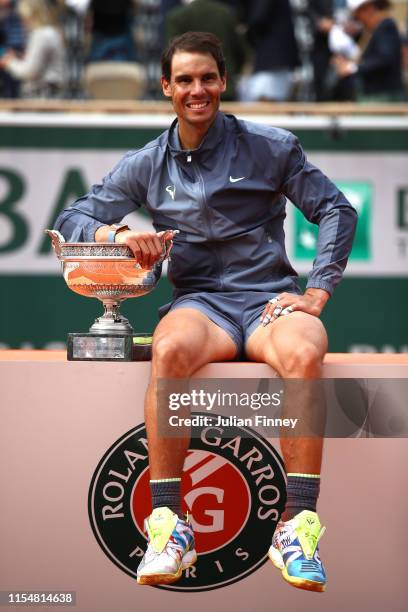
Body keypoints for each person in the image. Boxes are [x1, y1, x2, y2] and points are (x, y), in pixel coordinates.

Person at [55, 31, 357, 592]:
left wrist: (317, 291)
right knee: (167, 348)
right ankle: (170, 527)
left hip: (268, 298)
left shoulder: (272, 147)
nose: (198, 90)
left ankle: (296, 526)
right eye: (185, 80)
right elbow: (75, 216)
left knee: (304, 348)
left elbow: (336, 208)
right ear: (167, 87)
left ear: (223, 82)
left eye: (208, 78)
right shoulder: (146, 162)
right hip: (202, 305)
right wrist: (119, 232)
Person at [333, 0, 405, 101]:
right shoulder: (372, 30)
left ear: (369, 9)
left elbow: (384, 58)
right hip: (375, 94)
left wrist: (352, 67)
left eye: (359, 14)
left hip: (385, 96)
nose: (359, 19)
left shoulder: (386, 26)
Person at [0, 0, 66, 98]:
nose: (23, 23)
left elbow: (30, 71)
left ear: (32, 15)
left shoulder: (42, 35)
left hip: (43, 95)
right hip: (48, 92)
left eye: (24, 18)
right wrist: (20, 58)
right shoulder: (49, 32)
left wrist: (10, 62)